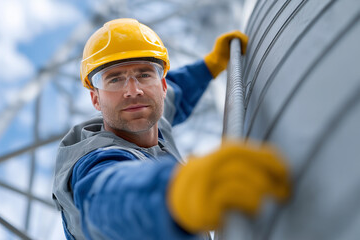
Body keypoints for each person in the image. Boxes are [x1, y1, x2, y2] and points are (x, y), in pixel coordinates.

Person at [52, 18, 290, 240]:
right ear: (95, 99)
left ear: (162, 86)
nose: (133, 90)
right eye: (114, 79)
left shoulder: (150, 114)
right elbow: (107, 198)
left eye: (144, 74)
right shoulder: (93, 162)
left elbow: (180, 88)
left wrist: (210, 65)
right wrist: (172, 191)